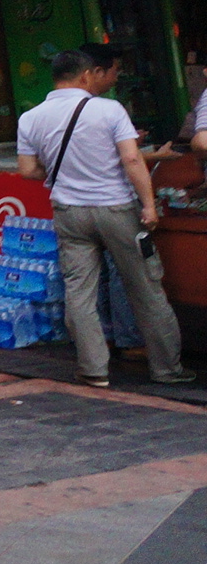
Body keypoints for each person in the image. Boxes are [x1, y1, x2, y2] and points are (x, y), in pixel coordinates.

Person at [18, 48, 192, 387]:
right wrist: (149, 205)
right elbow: (131, 160)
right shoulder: (109, 110)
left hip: (69, 213)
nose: (110, 81)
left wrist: (63, 171)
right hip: (117, 211)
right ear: (86, 76)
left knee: (79, 293)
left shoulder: (31, 117)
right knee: (146, 289)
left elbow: (27, 170)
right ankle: (167, 368)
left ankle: (94, 370)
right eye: (106, 74)